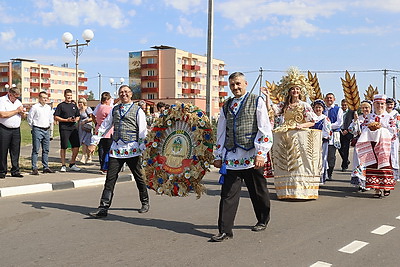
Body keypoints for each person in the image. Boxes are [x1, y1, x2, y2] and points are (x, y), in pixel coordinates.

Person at [212, 72, 273, 242]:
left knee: (258, 192)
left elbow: (264, 128)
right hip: (232, 157)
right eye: (232, 85)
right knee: (228, 194)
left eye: (238, 84)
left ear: (245, 83)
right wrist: (218, 155)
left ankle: (262, 219)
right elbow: (221, 132)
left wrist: (261, 152)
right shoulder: (227, 105)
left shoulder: (256, 101)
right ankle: (225, 230)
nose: (235, 87)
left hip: (252, 155)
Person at [88, 85, 149, 218]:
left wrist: (142, 148)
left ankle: (145, 202)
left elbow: (143, 131)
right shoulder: (114, 109)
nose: (124, 94)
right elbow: (105, 126)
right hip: (116, 149)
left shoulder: (138, 110)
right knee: (110, 179)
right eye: (121, 92)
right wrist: (94, 141)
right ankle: (103, 208)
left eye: (126, 92)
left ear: (131, 94)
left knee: (139, 177)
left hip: (133, 149)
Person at [262, 67, 319, 200]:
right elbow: (271, 110)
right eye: (293, 89)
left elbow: (312, 121)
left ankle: (303, 191)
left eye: (297, 89)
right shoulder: (284, 105)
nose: (295, 91)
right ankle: (287, 190)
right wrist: (267, 97)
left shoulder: (304, 105)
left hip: (300, 135)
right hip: (285, 134)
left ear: (301, 91)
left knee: (300, 162)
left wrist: (301, 125)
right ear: (289, 91)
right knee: (286, 162)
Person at [356, 94, 396, 197]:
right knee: (373, 165)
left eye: (382, 104)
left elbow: (393, 131)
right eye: (377, 104)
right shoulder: (370, 117)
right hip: (372, 144)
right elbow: (364, 128)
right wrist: (370, 128)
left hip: (383, 145)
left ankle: (386, 186)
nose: (380, 106)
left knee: (385, 165)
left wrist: (381, 129)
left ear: (385, 105)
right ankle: (376, 189)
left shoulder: (389, 117)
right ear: (374, 104)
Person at [0, 86, 26, 178]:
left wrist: (22, 113)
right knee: (3, 150)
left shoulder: (18, 102)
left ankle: (15, 170)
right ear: (10, 94)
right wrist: (16, 111)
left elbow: (22, 117)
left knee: (15, 151)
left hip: (16, 129)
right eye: (15, 96)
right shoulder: (2, 100)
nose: (17, 98)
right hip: (4, 128)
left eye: (18, 97)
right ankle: (2, 171)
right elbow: (2, 114)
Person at [27, 91, 55, 175]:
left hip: (46, 129)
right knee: (36, 149)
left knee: (46, 149)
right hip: (37, 129)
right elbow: (29, 119)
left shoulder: (48, 108)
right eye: (43, 98)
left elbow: (50, 119)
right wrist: (34, 128)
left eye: (46, 98)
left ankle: (45, 167)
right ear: (39, 98)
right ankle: (34, 167)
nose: (45, 99)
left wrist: (51, 131)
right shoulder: (35, 107)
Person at [54, 89, 81, 172]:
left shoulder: (74, 105)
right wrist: (66, 120)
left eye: (70, 95)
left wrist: (75, 119)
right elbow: (56, 117)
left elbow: (78, 115)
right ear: (65, 95)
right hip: (64, 128)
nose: (69, 97)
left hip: (73, 128)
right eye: (68, 95)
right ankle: (63, 165)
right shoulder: (61, 106)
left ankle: (72, 163)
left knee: (76, 146)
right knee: (64, 146)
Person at [348, 100, 372, 190]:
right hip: (359, 143)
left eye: (367, 108)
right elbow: (350, 130)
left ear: (370, 108)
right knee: (358, 163)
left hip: (369, 143)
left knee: (367, 163)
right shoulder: (359, 118)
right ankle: (360, 182)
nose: (365, 109)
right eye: (363, 108)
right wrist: (355, 121)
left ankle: (367, 183)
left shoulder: (372, 118)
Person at [310, 100, 331, 184]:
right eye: (316, 107)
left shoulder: (325, 118)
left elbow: (328, 131)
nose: (318, 109)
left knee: (322, 159)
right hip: (311, 141)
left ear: (322, 109)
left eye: (319, 107)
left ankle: (321, 178)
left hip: (322, 141)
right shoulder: (311, 118)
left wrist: (321, 136)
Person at [323, 93, 343, 180]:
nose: (329, 100)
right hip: (322, 135)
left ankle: (330, 172)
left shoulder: (338, 109)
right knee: (322, 154)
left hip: (333, 134)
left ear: (334, 99)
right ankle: (323, 172)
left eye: (331, 98)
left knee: (331, 154)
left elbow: (339, 122)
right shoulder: (322, 109)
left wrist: (328, 126)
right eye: (327, 98)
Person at [93, 92, 113, 174]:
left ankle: (101, 165)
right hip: (107, 131)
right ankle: (105, 167)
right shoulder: (108, 108)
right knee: (107, 150)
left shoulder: (99, 107)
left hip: (98, 129)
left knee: (101, 149)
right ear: (107, 100)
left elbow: (93, 116)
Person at [77, 98, 94, 164]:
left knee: (86, 142)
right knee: (83, 142)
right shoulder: (79, 110)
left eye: (81, 102)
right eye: (79, 102)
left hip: (87, 127)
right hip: (81, 128)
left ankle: (84, 156)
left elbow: (92, 118)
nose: (79, 104)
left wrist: (85, 121)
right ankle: (88, 156)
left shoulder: (88, 109)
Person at [339, 99, 354, 172]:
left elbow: (353, 122)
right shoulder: (339, 111)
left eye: (345, 105)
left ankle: (344, 165)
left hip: (347, 132)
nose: (344, 106)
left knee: (346, 149)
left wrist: (347, 130)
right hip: (339, 131)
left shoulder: (351, 112)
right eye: (343, 105)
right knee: (339, 148)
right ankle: (346, 160)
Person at [386, 97, 399, 181]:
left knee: (394, 155)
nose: (389, 106)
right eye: (388, 104)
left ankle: (394, 175)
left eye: (391, 104)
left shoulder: (396, 114)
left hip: (393, 137)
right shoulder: (383, 113)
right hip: (384, 137)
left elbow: (398, 125)